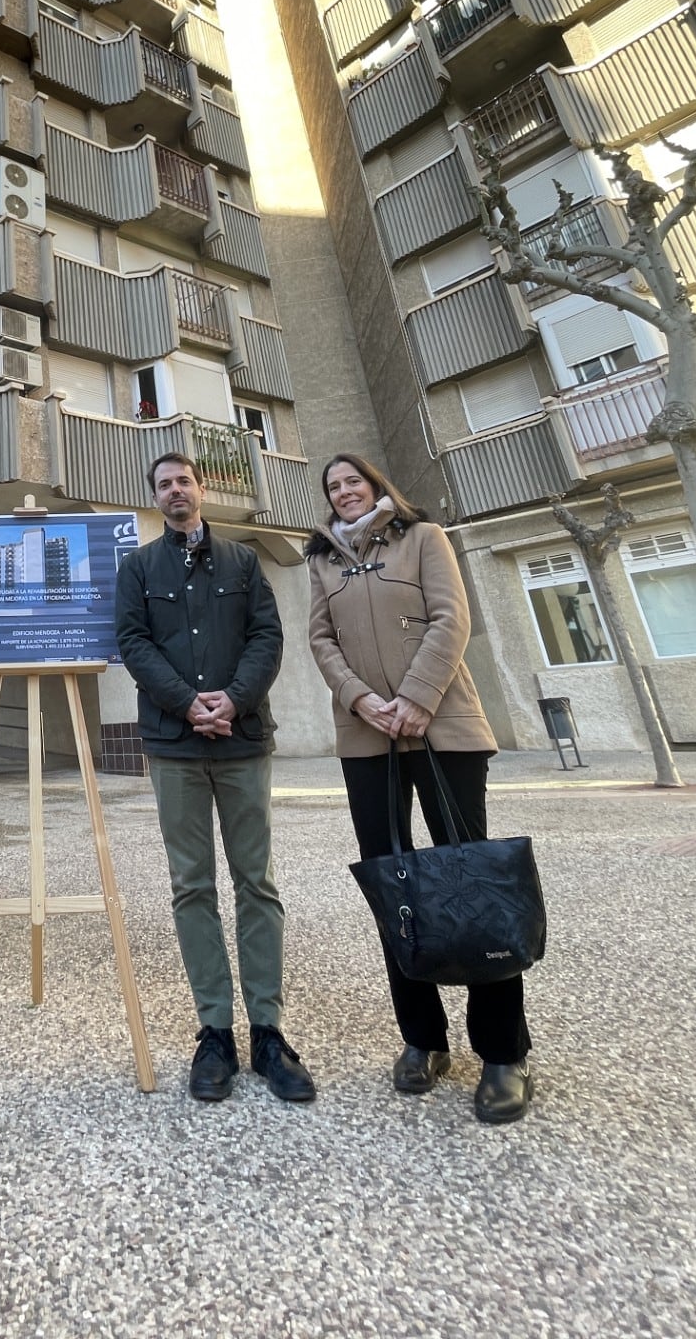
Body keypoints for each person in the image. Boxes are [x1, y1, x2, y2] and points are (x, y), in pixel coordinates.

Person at [305, 452, 533, 1124]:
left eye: (353, 481)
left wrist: (415, 697)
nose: (344, 492)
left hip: (443, 728)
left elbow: (451, 620)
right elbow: (321, 641)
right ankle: (423, 1040)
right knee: (393, 889)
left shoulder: (423, 538)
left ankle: (502, 1052)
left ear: (378, 485)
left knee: (473, 884)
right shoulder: (321, 560)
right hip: (367, 737)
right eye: (333, 486)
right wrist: (360, 700)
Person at [115, 452, 314, 1106]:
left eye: (184, 481)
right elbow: (133, 642)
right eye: (164, 484)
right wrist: (187, 703)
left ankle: (267, 1031)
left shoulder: (243, 562)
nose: (175, 491)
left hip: (243, 741)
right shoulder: (139, 568)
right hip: (175, 747)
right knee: (191, 885)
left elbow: (267, 634)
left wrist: (233, 699)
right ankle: (215, 1033)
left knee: (256, 882)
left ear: (202, 490)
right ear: (156, 496)